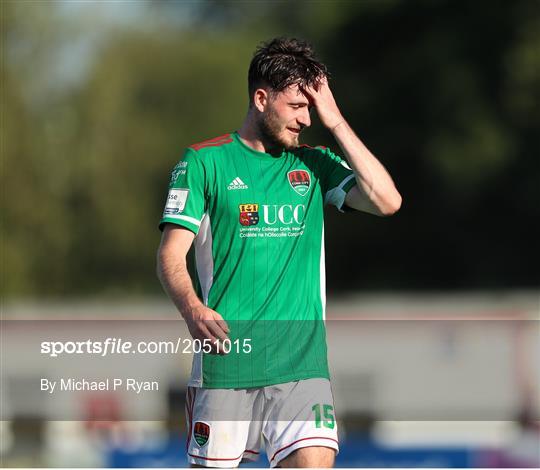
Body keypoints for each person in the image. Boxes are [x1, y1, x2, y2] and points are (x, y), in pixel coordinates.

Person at [157, 37, 401, 468]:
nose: (307, 119)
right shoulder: (203, 162)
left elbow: (387, 201)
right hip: (227, 362)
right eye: (296, 106)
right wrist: (192, 309)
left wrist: (337, 120)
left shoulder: (315, 164)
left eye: (312, 108)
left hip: (302, 364)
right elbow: (170, 256)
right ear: (261, 98)